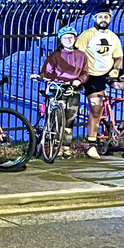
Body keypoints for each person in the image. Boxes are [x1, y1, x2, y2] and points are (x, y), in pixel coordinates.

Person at [76, 4, 124, 159]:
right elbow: (78, 55)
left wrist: (116, 69)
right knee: (96, 108)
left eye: (106, 17)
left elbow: (118, 57)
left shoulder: (113, 37)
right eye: (100, 17)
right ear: (94, 18)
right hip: (93, 75)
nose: (103, 20)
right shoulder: (87, 35)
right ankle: (91, 144)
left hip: (110, 72)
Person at [37, 25, 89, 157]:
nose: (68, 40)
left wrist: (80, 80)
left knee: (70, 119)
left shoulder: (81, 55)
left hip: (73, 88)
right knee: (58, 118)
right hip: (58, 88)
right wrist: (43, 77)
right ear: (61, 40)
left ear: (75, 39)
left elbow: (85, 72)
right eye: (65, 38)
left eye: (71, 37)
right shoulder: (55, 55)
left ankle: (66, 146)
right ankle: (56, 146)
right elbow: (47, 71)